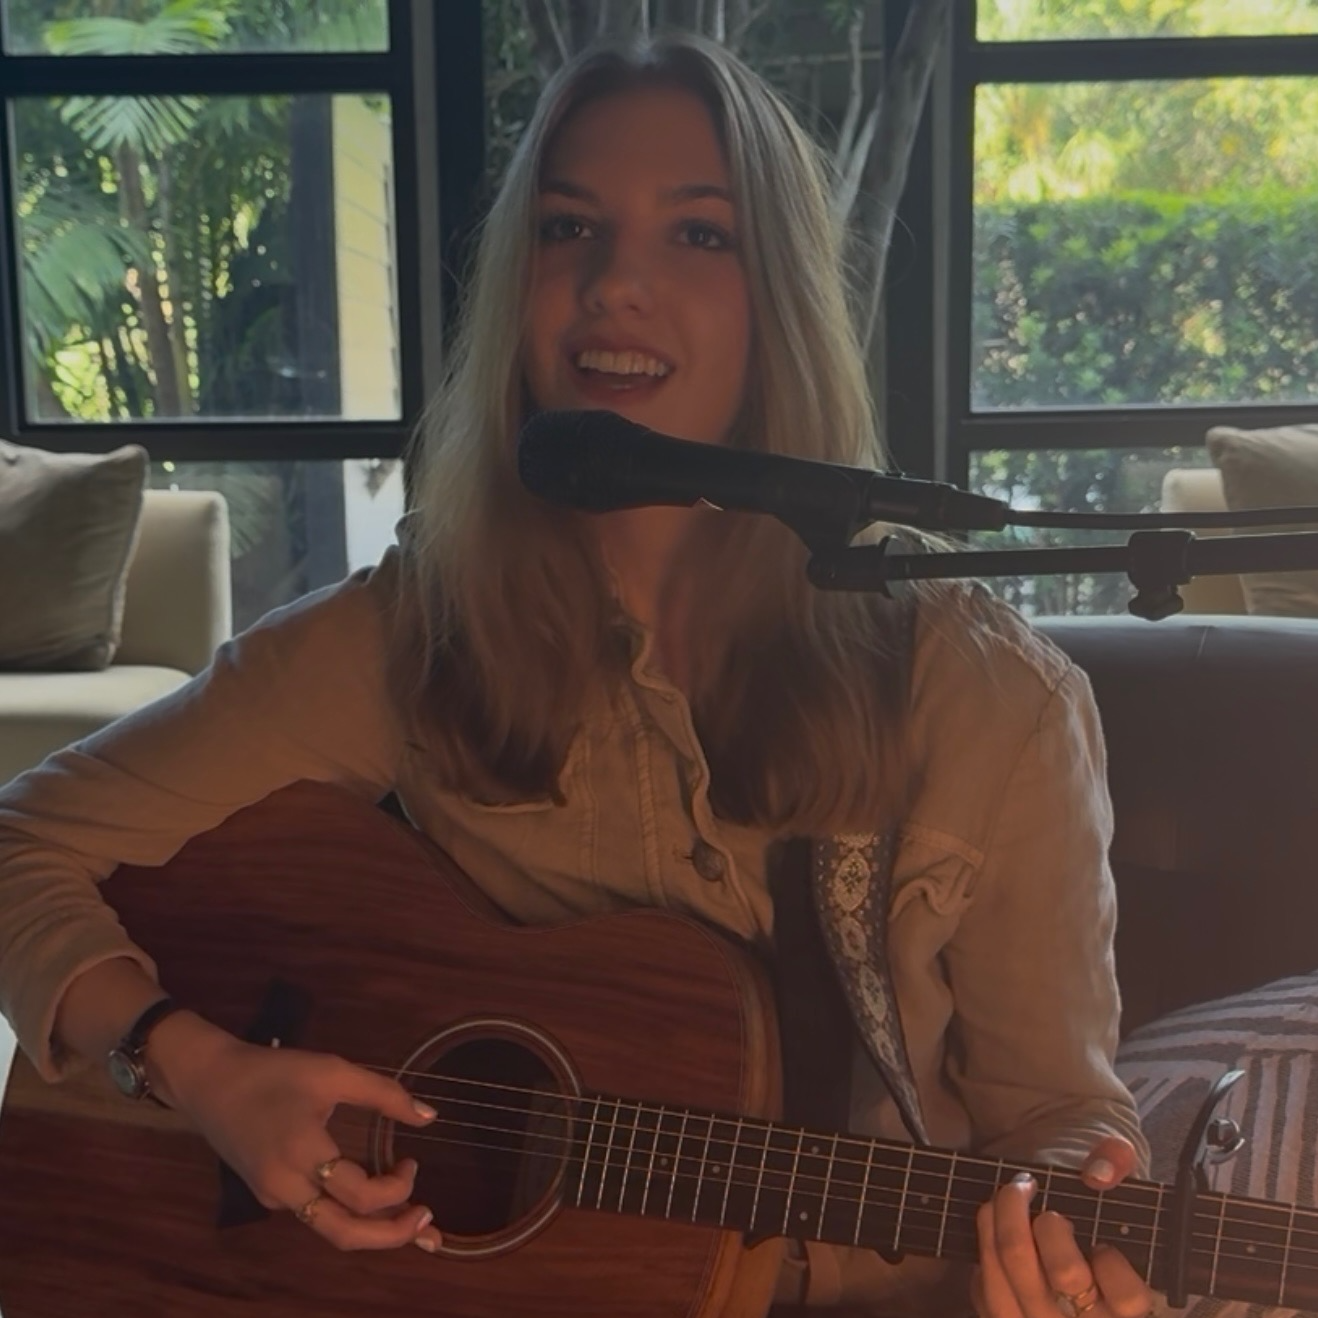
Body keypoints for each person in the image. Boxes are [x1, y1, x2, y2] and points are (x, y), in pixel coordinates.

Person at [0, 31, 1155, 1318]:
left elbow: (1059, 1115)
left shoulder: (991, 699)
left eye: (699, 236)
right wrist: (197, 1070)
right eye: (567, 228)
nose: (614, 283)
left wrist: (1066, 1243)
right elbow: (19, 842)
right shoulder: (413, 635)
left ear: (781, 299)